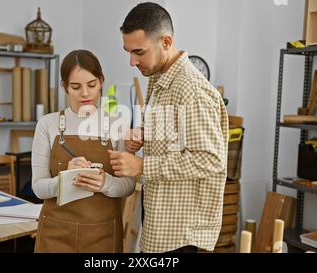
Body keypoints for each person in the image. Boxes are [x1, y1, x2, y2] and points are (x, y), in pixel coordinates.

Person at [108, 2, 229, 253]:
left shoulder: (192, 90)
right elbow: (175, 135)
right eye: (128, 51)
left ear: (166, 42)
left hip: (180, 234)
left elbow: (211, 159)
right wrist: (143, 135)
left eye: (139, 52)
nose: (132, 61)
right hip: (160, 222)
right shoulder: (158, 77)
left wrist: (142, 166)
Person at [32, 49, 136, 253]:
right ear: (65, 87)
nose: (85, 94)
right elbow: (38, 187)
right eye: (76, 87)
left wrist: (106, 183)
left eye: (91, 85)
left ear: (101, 81)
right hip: (56, 234)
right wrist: (65, 180)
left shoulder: (117, 124)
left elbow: (128, 185)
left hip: (102, 235)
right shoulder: (48, 124)